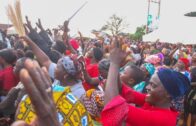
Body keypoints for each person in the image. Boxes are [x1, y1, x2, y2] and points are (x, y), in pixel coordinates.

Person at [101, 39, 190, 126]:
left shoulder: (162, 119)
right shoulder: (155, 102)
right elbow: (124, 90)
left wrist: (114, 63)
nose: (147, 88)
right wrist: (116, 68)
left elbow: (114, 110)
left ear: (167, 94)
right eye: (150, 83)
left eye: (153, 85)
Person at [12, 59, 93, 126]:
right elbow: (46, 60)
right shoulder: (58, 83)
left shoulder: (79, 94)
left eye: (57, 67)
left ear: (65, 75)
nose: (54, 69)